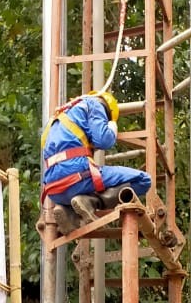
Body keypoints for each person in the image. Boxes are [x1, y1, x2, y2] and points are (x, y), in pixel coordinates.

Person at [40, 90, 151, 225]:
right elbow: (104, 140)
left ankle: (68, 213)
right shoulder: (95, 104)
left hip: (53, 190)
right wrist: (112, 126)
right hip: (76, 177)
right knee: (143, 180)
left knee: (76, 188)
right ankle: (91, 202)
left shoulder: (55, 120)